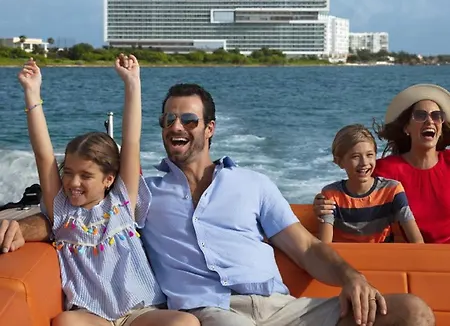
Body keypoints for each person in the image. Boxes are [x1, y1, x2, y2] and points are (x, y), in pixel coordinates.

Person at [1, 82, 435, 326]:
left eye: (188, 119)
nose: (176, 126)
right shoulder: (143, 193)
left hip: (284, 308)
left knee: (413, 313)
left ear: (209, 128)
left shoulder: (254, 184)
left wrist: (353, 278)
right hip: (212, 313)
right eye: (169, 119)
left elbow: (306, 249)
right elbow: (76, 216)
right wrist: (24, 227)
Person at [14, 57, 199, 326]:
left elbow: (131, 141)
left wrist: (132, 83)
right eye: (68, 172)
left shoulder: (122, 202)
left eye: (86, 176)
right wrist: (32, 92)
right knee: (66, 322)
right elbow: (43, 155)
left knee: (186, 322)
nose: (73, 182)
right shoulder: (62, 211)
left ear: (109, 179)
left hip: (139, 312)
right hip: (93, 316)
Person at [314, 83, 450, 244]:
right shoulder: (384, 170)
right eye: (420, 115)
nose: (429, 121)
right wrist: (320, 203)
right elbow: (353, 192)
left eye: (436, 116)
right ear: (406, 127)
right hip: (409, 255)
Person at [318, 124, 423, 244]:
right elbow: (325, 245)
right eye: (355, 156)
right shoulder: (331, 194)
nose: (364, 162)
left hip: (383, 255)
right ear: (339, 162)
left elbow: (417, 241)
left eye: (369, 155)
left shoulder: (392, 190)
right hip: (342, 256)